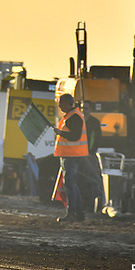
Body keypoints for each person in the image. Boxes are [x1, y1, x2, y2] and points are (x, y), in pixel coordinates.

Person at [53, 93, 89, 222]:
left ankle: (72, 213)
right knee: (71, 183)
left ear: (68, 103)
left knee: (70, 184)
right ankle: (78, 213)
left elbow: (74, 136)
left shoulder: (74, 117)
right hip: (71, 154)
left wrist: (60, 133)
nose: (59, 105)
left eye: (61, 103)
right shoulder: (72, 115)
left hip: (71, 155)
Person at [80, 100, 105, 212]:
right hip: (78, 155)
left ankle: (94, 204)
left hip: (89, 155)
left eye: (85, 108)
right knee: (79, 179)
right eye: (82, 108)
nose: (83, 110)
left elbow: (97, 139)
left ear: (90, 109)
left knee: (93, 179)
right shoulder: (78, 121)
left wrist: (90, 152)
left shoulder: (94, 122)